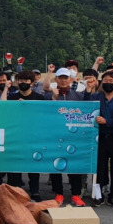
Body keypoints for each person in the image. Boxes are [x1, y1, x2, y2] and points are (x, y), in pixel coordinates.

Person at [84, 71, 113, 209]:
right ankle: (98, 196)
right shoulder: (96, 97)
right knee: (99, 170)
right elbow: (85, 107)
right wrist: (88, 89)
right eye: (106, 80)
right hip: (99, 139)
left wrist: (107, 121)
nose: (108, 82)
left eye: (111, 80)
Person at [44, 66, 86, 207]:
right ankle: (58, 193)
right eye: (60, 77)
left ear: (70, 79)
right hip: (54, 136)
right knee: (56, 166)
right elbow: (45, 113)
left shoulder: (78, 96)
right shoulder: (48, 95)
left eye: (65, 78)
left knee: (74, 167)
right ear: (56, 79)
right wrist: (54, 98)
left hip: (73, 137)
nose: (63, 80)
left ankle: (75, 194)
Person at [4, 70, 44, 201]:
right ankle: (15, 190)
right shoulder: (12, 98)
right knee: (15, 164)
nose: (23, 83)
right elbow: (2, 107)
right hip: (15, 137)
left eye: (26, 81)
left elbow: (43, 115)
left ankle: (35, 191)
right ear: (17, 82)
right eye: (20, 81)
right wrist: (6, 89)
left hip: (34, 136)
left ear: (32, 83)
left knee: (33, 165)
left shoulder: (39, 98)